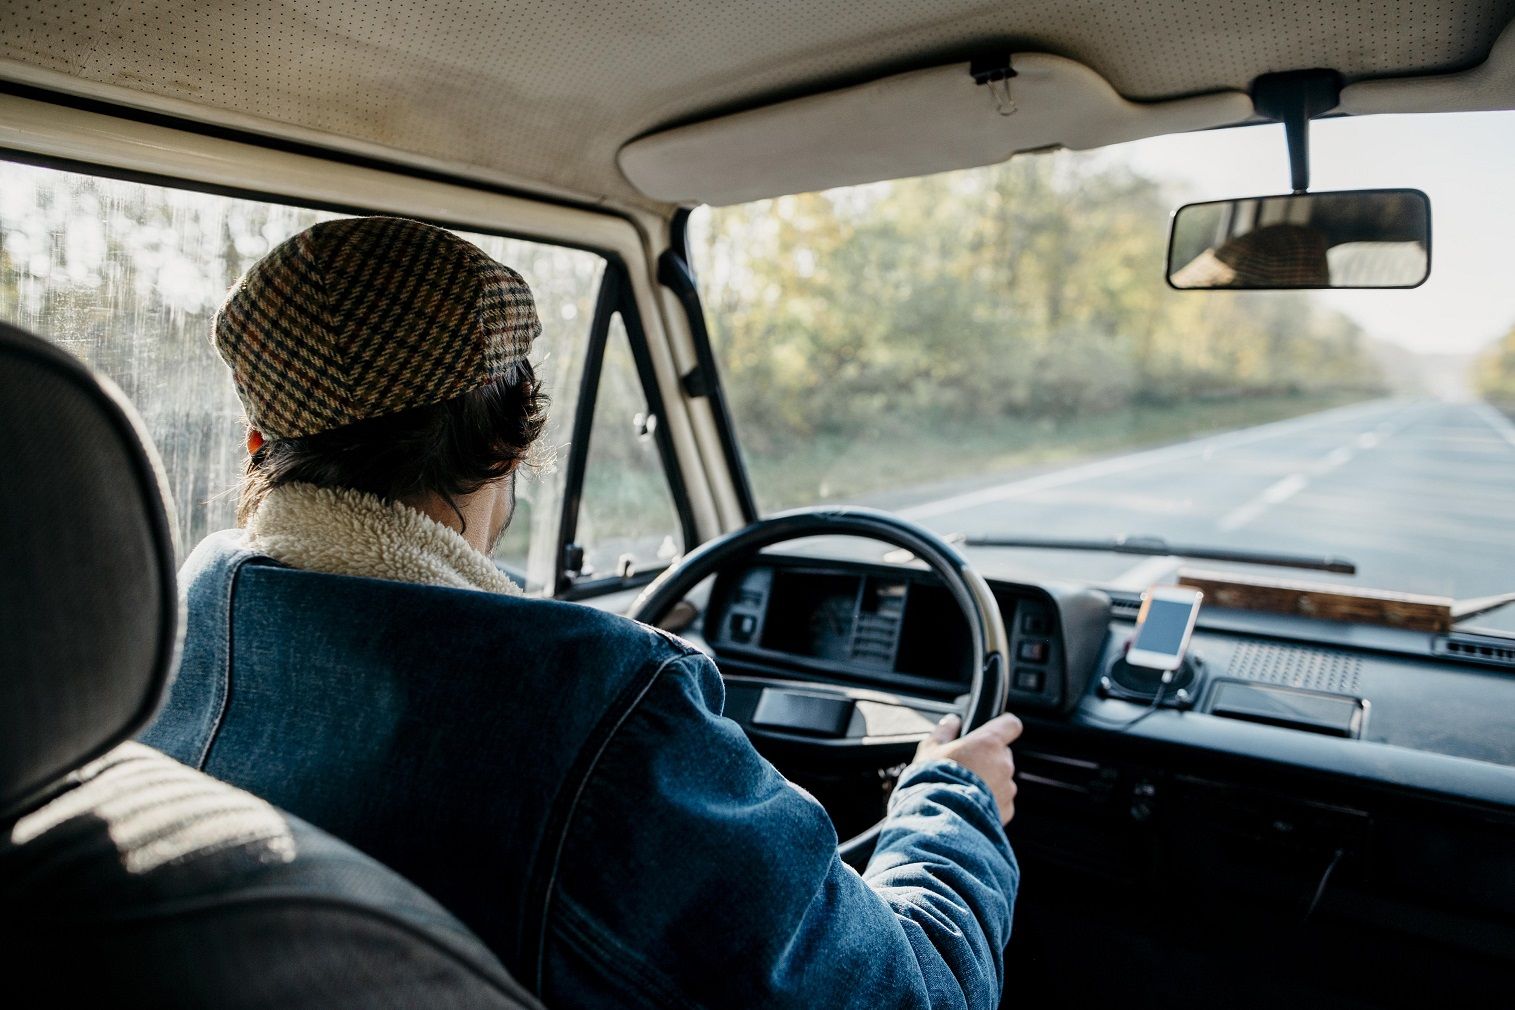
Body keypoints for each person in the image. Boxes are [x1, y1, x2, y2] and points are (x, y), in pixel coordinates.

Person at [143, 216, 1022, 1009]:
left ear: (263, 443)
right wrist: (953, 800)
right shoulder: (597, 708)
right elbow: (913, 997)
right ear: (507, 435)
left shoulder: (155, 648)